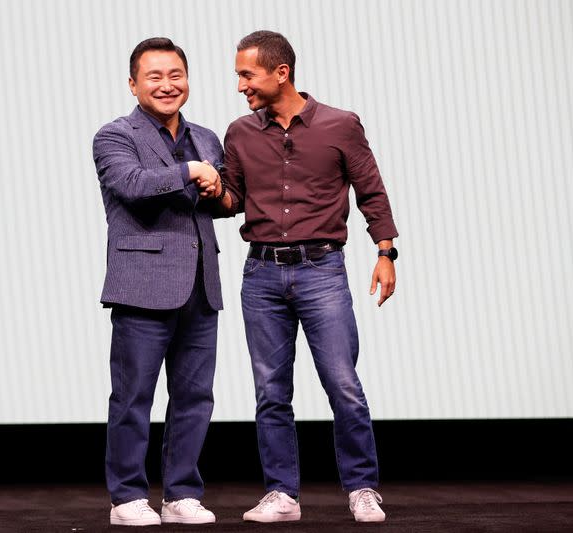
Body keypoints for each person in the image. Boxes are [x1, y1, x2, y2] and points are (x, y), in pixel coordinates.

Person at [213, 30, 399, 523]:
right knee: (271, 390)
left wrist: (386, 252)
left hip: (322, 271)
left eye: (246, 75)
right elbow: (231, 201)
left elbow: (371, 193)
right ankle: (282, 494)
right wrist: (211, 188)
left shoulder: (340, 125)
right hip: (261, 274)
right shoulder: (239, 133)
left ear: (281, 72)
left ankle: (362, 488)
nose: (239, 86)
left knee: (342, 382)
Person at [91, 37, 225, 527]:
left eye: (176, 75)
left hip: (200, 285)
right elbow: (132, 185)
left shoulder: (207, 137)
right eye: (155, 76)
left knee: (195, 398)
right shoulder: (115, 135)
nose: (168, 85)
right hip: (142, 285)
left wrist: (220, 190)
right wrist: (191, 171)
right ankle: (126, 497)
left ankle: (181, 493)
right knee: (133, 397)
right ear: (133, 83)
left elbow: (222, 198)